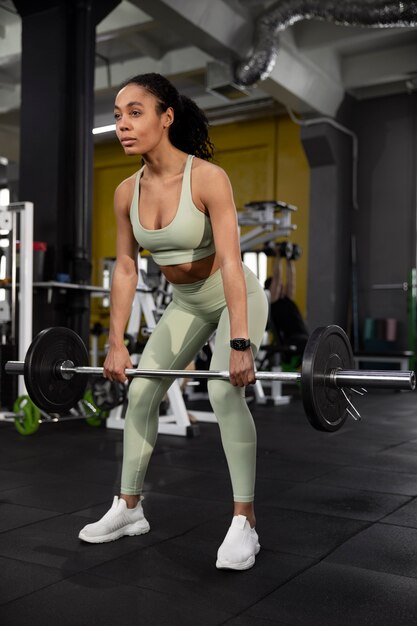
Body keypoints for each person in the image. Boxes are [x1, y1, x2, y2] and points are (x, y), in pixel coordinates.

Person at [78, 73, 269, 571]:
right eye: (117, 115)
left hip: (233, 297)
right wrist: (116, 343)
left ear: (167, 117)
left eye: (135, 112)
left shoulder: (207, 178)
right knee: (141, 393)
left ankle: (244, 522)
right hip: (185, 303)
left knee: (227, 391)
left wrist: (241, 342)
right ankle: (129, 507)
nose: (122, 124)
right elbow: (124, 267)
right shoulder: (126, 192)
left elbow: (230, 262)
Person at [264, 249, 309, 367]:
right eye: (279, 286)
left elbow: (291, 281)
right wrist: (278, 256)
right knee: (311, 347)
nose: (282, 287)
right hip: (292, 340)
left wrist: (289, 260)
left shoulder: (287, 298)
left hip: (303, 336)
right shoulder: (273, 301)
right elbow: (277, 278)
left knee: (316, 344)